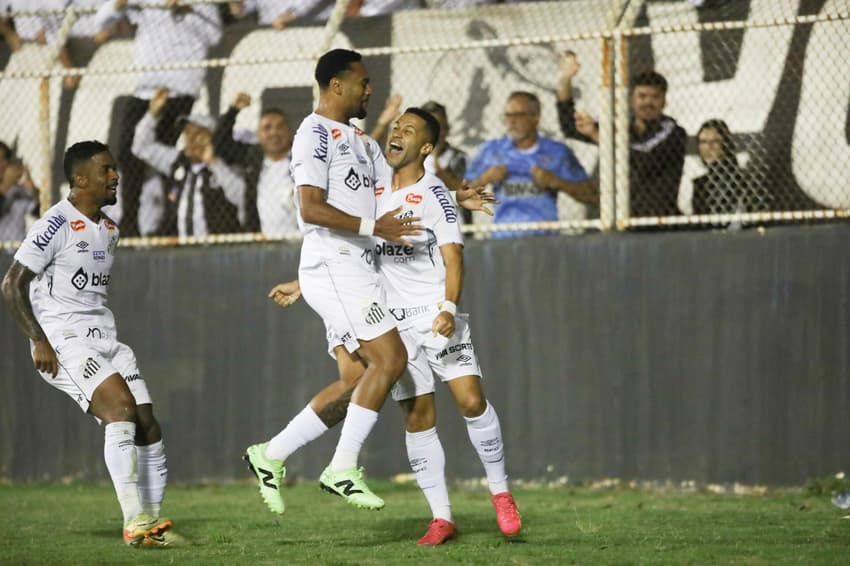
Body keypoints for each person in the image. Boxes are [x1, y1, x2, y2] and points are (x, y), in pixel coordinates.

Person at [247, 109, 517, 545]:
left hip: (435, 316)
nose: (396, 133)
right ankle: (441, 517)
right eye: (396, 127)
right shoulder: (371, 194)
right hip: (392, 318)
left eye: (408, 130)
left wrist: (449, 305)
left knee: (470, 401)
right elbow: (353, 244)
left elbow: (454, 256)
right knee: (415, 414)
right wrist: (307, 281)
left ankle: (501, 493)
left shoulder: (434, 193)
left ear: (426, 148)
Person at [244, 48, 421, 512]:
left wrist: (452, 193)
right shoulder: (313, 133)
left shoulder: (360, 140)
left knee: (357, 379)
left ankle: (270, 454)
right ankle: (341, 467)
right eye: (362, 82)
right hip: (337, 263)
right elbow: (311, 208)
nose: (369, 89)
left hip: (348, 267)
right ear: (336, 85)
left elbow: (389, 197)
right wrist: (371, 231)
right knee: (392, 358)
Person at [1, 141, 180, 547]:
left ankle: (151, 523)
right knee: (120, 409)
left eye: (114, 169)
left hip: (105, 338)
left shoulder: (110, 229)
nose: (115, 176)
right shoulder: (55, 224)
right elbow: (11, 284)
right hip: (62, 341)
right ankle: (135, 522)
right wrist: (38, 339)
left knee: (148, 424)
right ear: (80, 179)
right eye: (106, 170)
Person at [94, 0, 222, 237]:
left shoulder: (201, 3)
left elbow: (214, 36)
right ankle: (130, 222)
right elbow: (100, 20)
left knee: (167, 161)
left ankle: (169, 222)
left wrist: (191, 10)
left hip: (181, 89)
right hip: (145, 89)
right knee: (126, 155)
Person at [557, 50, 686, 217]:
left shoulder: (674, 132)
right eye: (642, 96)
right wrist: (565, 80)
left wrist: (597, 136)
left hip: (658, 222)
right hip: (621, 220)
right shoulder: (621, 128)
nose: (648, 102)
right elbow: (569, 127)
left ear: (664, 101)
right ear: (632, 100)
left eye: (655, 97)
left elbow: (643, 158)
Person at [465, 91, 595, 238]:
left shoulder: (557, 152)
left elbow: (591, 196)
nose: (511, 122)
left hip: (544, 240)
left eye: (518, 115)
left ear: (536, 118)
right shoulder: (491, 151)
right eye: (508, 116)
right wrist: (484, 179)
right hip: (503, 239)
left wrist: (557, 182)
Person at [132, 87, 247, 237]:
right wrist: (152, 115)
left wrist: (214, 163)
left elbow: (242, 196)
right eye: (187, 133)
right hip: (181, 247)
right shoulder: (177, 162)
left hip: (218, 248)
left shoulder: (225, 164)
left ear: (211, 137)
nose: (191, 139)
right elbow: (141, 147)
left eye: (199, 134)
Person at [212, 92, 297, 235]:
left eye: (280, 126)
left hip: (300, 241)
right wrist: (233, 110)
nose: (274, 133)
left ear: (289, 132)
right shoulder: (252, 157)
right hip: (261, 241)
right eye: (267, 128)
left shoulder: (302, 157)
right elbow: (219, 145)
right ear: (258, 135)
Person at [692, 119, 769, 218]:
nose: (708, 147)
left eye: (715, 141)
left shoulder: (741, 179)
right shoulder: (700, 182)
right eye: (703, 142)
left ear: (725, 143)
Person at [0, 141, 38, 242]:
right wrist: (6, 185)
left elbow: (37, 212)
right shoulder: (8, 185)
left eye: (4, 159)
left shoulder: (17, 189)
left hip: (16, 250)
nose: (2, 164)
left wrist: (32, 189)